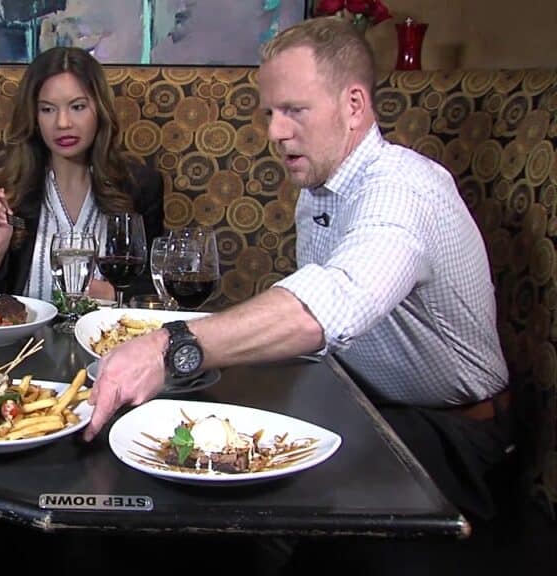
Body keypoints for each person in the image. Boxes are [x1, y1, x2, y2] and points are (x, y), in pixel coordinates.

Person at [84, 17, 511, 572]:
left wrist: (171, 344)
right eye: (269, 114)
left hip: (452, 434)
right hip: (364, 401)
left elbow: (334, 301)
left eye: (294, 111)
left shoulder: (403, 190)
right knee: (192, 450)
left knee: (249, 506)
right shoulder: (320, 188)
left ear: (354, 105)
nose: (275, 132)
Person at [0, 46, 164, 301]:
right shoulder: (9, 184)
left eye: (77, 107)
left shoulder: (140, 185)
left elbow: (156, 285)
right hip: (26, 339)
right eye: (47, 109)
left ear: (100, 110)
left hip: (111, 338)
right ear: (34, 117)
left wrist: (113, 294)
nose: (62, 123)